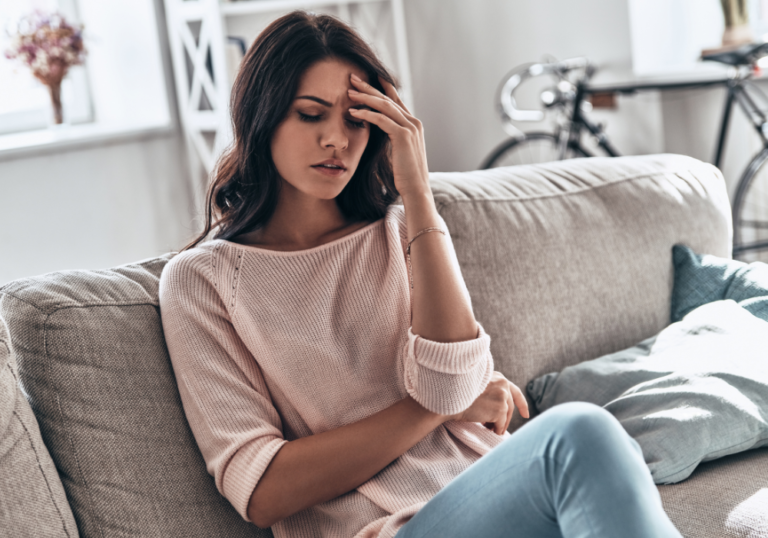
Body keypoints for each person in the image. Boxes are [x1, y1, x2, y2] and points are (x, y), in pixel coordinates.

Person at [158, 10, 683, 538]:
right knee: (581, 432)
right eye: (311, 115)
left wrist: (418, 192)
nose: (337, 139)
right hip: (391, 529)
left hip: (494, 498)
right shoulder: (203, 281)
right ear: (261, 117)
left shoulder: (402, 228)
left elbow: (451, 378)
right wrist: (430, 412)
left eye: (357, 118)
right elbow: (264, 490)